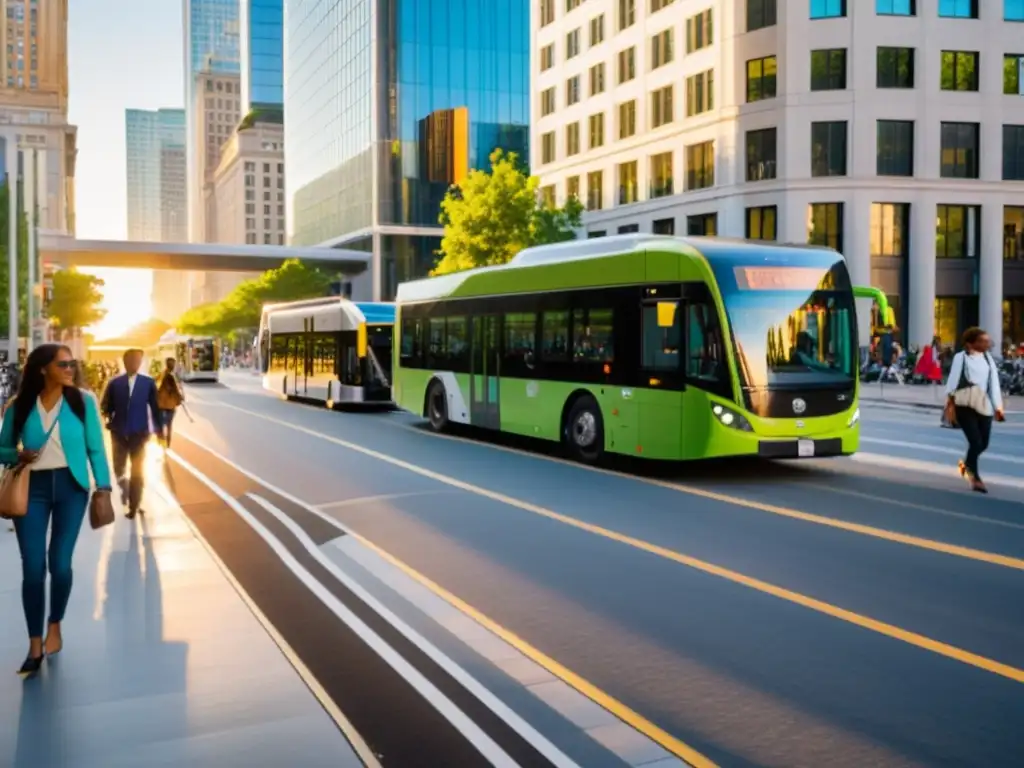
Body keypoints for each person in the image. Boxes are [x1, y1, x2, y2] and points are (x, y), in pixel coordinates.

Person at [0, 344, 112, 678]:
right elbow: (2, 447)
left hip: (71, 488)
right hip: (29, 489)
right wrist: (17, 454)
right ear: (43, 369)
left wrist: (103, 486)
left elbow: (95, 446)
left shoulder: (83, 402)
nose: (70, 368)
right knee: (33, 569)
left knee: (60, 564)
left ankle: (55, 625)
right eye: (63, 364)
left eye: (72, 363)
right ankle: (35, 643)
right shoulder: (18, 407)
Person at [100, 348, 163, 518]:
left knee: (138, 472)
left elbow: (156, 409)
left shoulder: (148, 383)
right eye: (133, 360)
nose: (136, 363)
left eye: (138, 360)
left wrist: (159, 431)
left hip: (139, 434)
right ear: (125, 361)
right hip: (118, 434)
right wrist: (107, 419)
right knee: (119, 469)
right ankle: (126, 492)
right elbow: (105, 406)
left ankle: (134, 506)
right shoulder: (114, 383)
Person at [943, 327, 1006, 494]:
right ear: (971, 343)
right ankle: (975, 479)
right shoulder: (961, 358)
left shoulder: (988, 359)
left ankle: (967, 464)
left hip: (984, 404)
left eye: (987, 341)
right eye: (982, 341)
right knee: (975, 442)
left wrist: (998, 407)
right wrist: (949, 401)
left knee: (984, 443)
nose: (987, 344)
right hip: (964, 404)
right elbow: (953, 380)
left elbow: (993, 384)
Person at [156, 357, 184, 448]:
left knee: (162, 424)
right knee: (168, 425)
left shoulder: (163, 373)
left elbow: (155, 381)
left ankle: (163, 442)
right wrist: (180, 399)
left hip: (161, 404)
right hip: (168, 405)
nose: (174, 366)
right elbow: (174, 390)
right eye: (173, 364)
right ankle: (166, 443)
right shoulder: (170, 376)